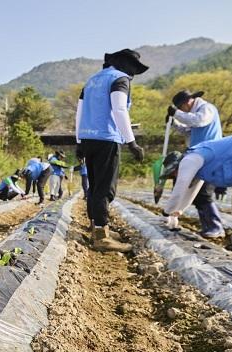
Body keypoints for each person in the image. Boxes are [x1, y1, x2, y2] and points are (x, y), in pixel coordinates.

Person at [75, 48, 147, 253]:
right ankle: (101, 236)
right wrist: (131, 142)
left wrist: (79, 141)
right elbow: (119, 109)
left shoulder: (91, 81)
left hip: (88, 138)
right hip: (107, 139)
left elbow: (79, 113)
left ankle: (97, 226)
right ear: (125, 65)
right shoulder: (119, 80)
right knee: (105, 188)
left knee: (95, 185)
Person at [161, 134, 232, 258]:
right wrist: (178, 211)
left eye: (172, 174)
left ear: (175, 167)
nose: (174, 177)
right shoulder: (197, 163)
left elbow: (180, 187)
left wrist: (167, 211)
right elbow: (192, 191)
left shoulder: (189, 160)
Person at [167, 89, 224, 237]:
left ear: (187, 103)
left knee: (204, 192)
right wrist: (173, 122)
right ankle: (207, 226)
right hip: (198, 154)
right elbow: (188, 131)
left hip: (210, 155)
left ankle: (215, 227)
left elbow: (198, 120)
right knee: (194, 192)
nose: (181, 111)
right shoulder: (194, 112)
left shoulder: (206, 109)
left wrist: (177, 114)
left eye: (181, 108)